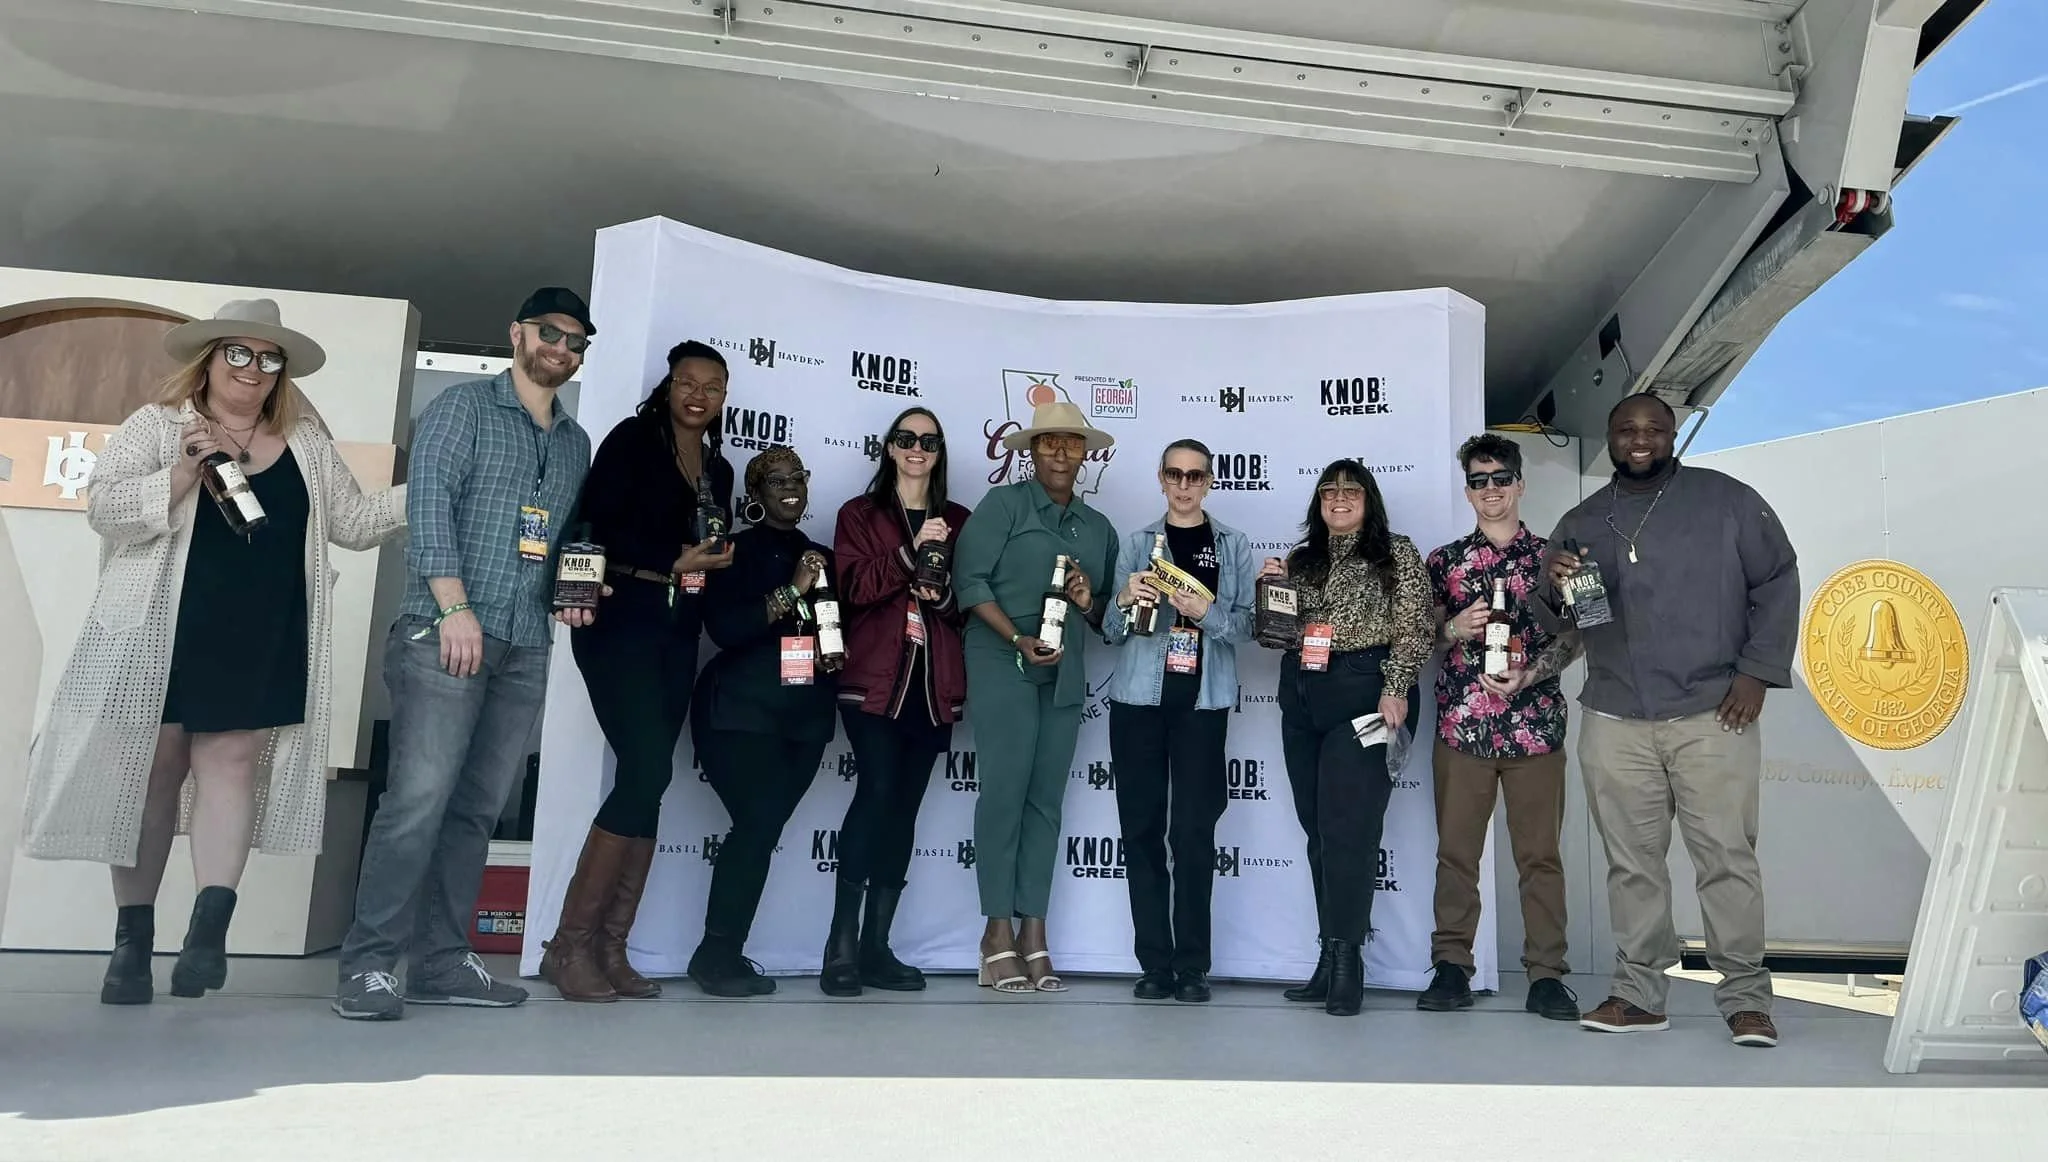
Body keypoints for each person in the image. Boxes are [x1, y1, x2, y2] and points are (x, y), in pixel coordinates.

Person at [20, 299, 405, 1005]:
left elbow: (351, 521)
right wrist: (179, 475)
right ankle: (131, 945)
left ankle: (206, 936)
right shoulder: (157, 427)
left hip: (262, 629)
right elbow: (104, 508)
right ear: (209, 359)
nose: (253, 370)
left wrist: (429, 492)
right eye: (240, 354)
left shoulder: (306, 443)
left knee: (231, 762)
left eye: (269, 359)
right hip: (163, 630)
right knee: (154, 772)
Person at [333, 287, 598, 1021]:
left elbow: (568, 538)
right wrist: (455, 608)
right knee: (416, 805)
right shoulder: (461, 409)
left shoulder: (575, 443)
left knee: (478, 810)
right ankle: (367, 966)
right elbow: (428, 509)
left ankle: (442, 962)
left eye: (577, 342)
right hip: (442, 633)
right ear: (517, 333)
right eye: (550, 333)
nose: (562, 349)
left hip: (526, 643)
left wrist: (577, 584)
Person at [1533, 393, 1797, 1048]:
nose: (1641, 438)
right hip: (1615, 715)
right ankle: (1640, 993)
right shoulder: (1583, 520)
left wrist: (1757, 672)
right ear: (1611, 439)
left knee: (1727, 858)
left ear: (1673, 434)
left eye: (1654, 428)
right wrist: (1549, 584)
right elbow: (1561, 625)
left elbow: (1778, 579)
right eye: (1627, 429)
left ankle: (1745, 999)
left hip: (1714, 711)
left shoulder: (1728, 501)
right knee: (1632, 864)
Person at [538, 340, 737, 1003]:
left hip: (677, 631)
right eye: (687, 381)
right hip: (621, 617)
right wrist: (672, 557)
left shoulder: (719, 467)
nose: (698, 394)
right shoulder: (632, 439)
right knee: (647, 769)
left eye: (712, 386)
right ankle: (568, 947)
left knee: (646, 779)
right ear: (667, 387)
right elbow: (595, 522)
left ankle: (610, 949)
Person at [952, 400, 1118, 994]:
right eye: (1048, 442)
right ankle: (995, 934)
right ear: (1030, 449)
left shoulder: (1098, 529)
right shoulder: (1003, 506)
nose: (1060, 452)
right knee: (1004, 794)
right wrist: (1017, 637)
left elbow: (1108, 617)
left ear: (1085, 453)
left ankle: (1034, 934)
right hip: (1003, 660)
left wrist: (1086, 599)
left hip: (1064, 672)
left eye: (1071, 443)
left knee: (1046, 802)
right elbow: (968, 583)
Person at [1259, 459, 1432, 1017]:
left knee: (1349, 832)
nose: (1338, 499)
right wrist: (1271, 594)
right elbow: (1275, 638)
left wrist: (1398, 687)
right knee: (1317, 831)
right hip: (1304, 696)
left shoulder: (1395, 552)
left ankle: (1349, 963)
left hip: (1367, 692)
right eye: (1328, 491)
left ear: (1368, 499)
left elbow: (1414, 624)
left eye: (1350, 491)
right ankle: (1328, 954)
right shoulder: (1302, 561)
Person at [1419, 434, 1582, 1021]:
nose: (1491, 489)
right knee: (1456, 854)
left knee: (1540, 857)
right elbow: (1420, 634)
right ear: (1468, 490)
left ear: (1520, 483)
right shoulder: (1442, 562)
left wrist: (1531, 674)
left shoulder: (1562, 558)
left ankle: (1546, 976)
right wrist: (1453, 629)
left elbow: (1583, 633)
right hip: (1463, 730)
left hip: (1535, 731)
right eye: (1479, 480)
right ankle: (1451, 968)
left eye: (1500, 477)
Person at [821, 407, 970, 996]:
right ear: (889, 448)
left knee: (904, 809)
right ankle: (840, 946)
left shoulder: (960, 519)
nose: (917, 448)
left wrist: (945, 591)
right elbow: (852, 589)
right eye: (906, 438)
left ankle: (878, 947)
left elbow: (970, 606)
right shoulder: (859, 514)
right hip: (875, 682)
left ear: (939, 452)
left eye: (929, 441)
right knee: (876, 793)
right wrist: (913, 555)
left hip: (933, 689)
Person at [1101, 438, 1254, 1004]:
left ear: (1209, 481)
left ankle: (1193, 965)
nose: (1185, 485)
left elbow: (1246, 628)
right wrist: (1123, 598)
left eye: (1195, 476)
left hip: (1203, 703)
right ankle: (1154, 964)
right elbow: (1111, 634)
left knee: (1192, 834)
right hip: (1138, 702)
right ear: (1160, 479)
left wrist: (1201, 610)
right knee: (1139, 831)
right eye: (1175, 474)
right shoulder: (1138, 543)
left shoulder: (1232, 544)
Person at [686, 446, 840, 997]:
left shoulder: (821, 554)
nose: (789, 486)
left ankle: (723, 952)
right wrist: (792, 589)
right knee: (754, 827)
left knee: (761, 829)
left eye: (797, 476)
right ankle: (715, 954)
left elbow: (831, 629)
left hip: (804, 718)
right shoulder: (734, 551)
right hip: (738, 713)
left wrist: (829, 649)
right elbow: (725, 629)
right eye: (775, 479)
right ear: (756, 493)